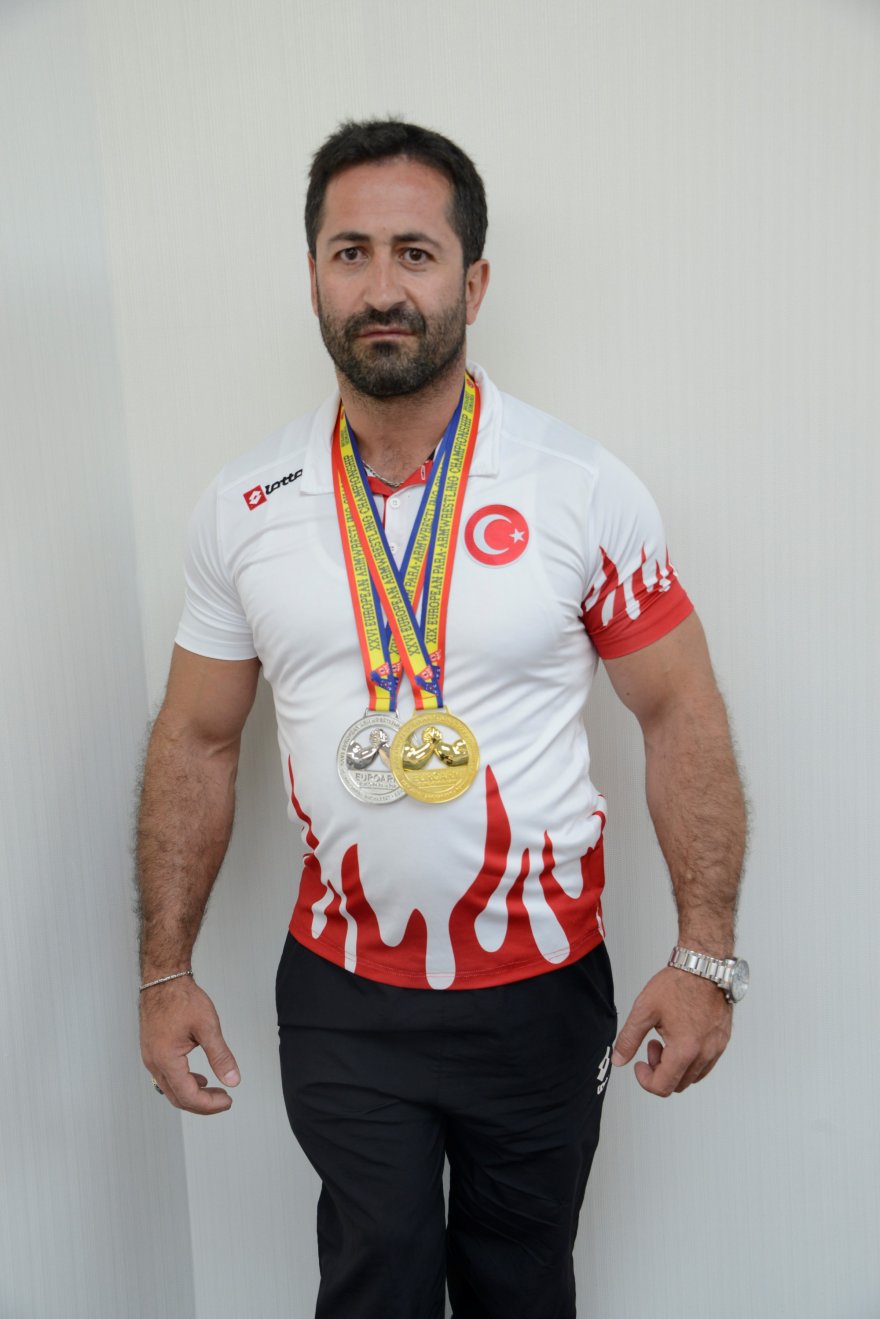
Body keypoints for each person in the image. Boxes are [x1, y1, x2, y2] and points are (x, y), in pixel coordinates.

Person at [137, 119, 748, 1319]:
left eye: (414, 253)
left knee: (522, 1283)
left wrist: (705, 954)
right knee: (377, 1280)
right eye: (350, 251)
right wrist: (163, 969)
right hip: (342, 991)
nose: (381, 287)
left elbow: (681, 712)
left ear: (471, 281)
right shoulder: (245, 504)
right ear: (312, 275)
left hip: (541, 987)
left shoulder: (579, 486)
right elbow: (194, 739)